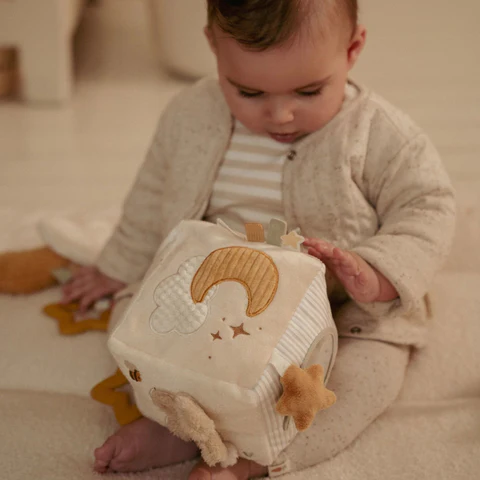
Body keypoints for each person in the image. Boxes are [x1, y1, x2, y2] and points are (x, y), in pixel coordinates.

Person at [62, 1, 456, 479]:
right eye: (248, 92)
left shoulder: (378, 134)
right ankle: (175, 425)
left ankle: (257, 458)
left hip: (339, 309)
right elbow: (151, 196)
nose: (281, 114)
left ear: (352, 50)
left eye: (309, 91)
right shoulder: (189, 115)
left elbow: (427, 206)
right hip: (210, 302)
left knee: (365, 375)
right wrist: (119, 264)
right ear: (213, 46)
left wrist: (375, 273)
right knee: (139, 331)